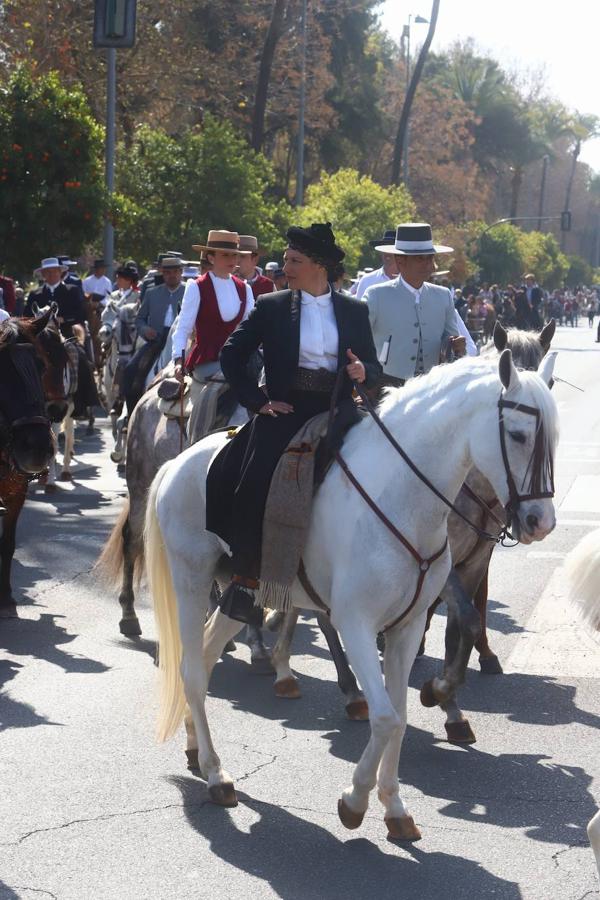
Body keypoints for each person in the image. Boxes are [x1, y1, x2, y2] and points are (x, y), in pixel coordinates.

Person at [207, 222, 382, 626]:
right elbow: (232, 354)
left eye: (295, 261)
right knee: (252, 480)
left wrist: (363, 371)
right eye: (285, 260)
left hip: (339, 409)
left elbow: (373, 366)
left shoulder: (354, 310)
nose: (286, 267)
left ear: (320, 266)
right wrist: (259, 401)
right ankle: (246, 580)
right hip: (286, 409)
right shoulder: (272, 306)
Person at [171, 230, 255, 442]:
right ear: (211, 257)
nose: (233, 260)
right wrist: (178, 359)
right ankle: (198, 438)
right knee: (228, 380)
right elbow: (183, 327)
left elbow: (252, 330)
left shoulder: (245, 289)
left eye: (235, 255)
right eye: (226, 255)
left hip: (239, 360)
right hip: (209, 361)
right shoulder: (196, 287)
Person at [364, 222, 469, 388]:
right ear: (400, 260)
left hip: (431, 387)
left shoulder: (443, 296)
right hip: (386, 385)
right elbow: (359, 340)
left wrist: (456, 346)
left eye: (430, 257)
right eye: (420, 258)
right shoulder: (376, 295)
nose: (429, 264)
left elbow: (450, 339)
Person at [122, 258, 185, 415]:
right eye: (167, 272)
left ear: (181, 273)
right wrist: (145, 330)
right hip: (156, 340)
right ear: (162, 274)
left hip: (182, 343)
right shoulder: (152, 293)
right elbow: (139, 319)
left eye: (175, 272)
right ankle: (131, 416)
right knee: (130, 370)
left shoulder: (190, 291)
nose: (171, 275)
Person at [25, 257, 86, 337]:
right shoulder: (35, 294)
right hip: (41, 335)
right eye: (48, 272)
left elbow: (80, 315)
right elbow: (27, 316)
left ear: (60, 272)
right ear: (43, 274)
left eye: (55, 271)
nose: (51, 274)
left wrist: (63, 319)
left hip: (67, 333)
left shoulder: (72, 290)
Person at [353, 229, 400, 299]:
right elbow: (359, 308)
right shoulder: (367, 281)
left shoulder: (410, 281)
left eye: (391, 248)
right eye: (384, 248)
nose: (387, 252)